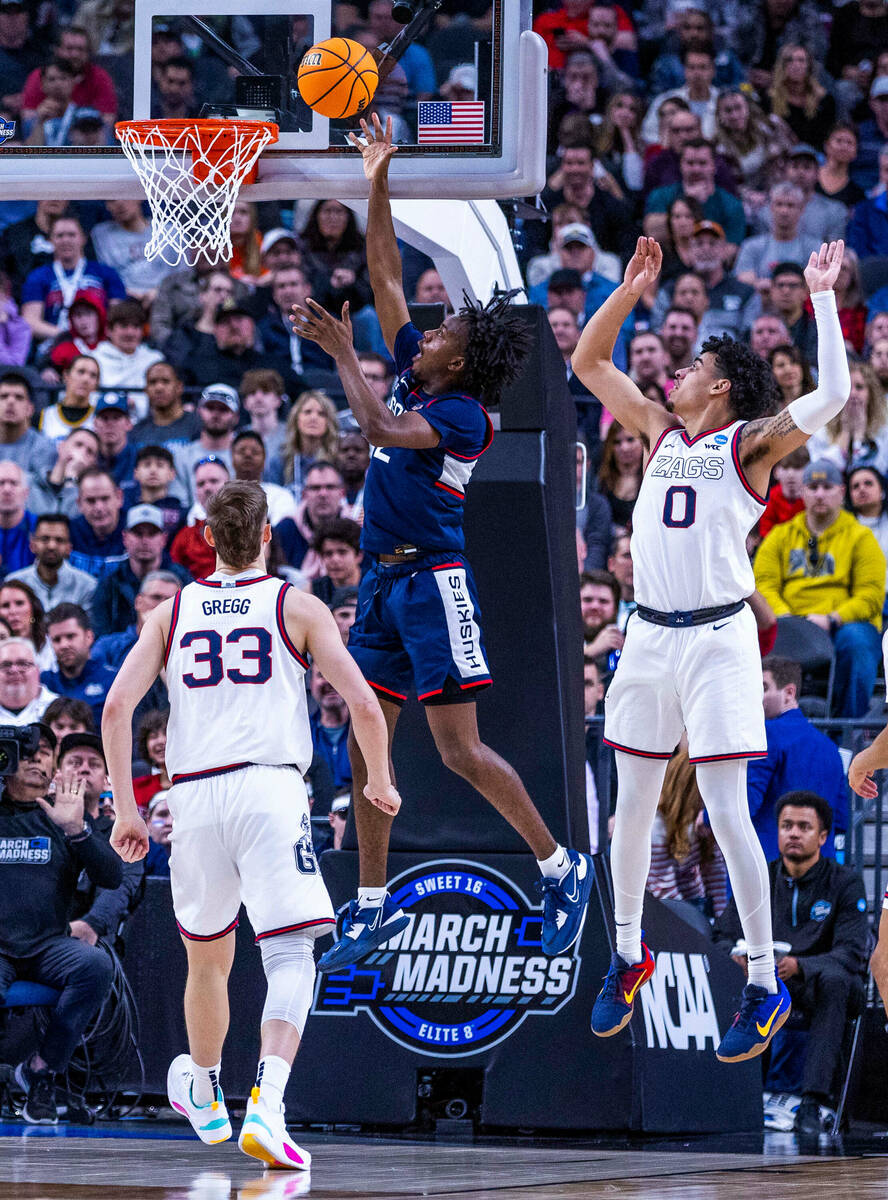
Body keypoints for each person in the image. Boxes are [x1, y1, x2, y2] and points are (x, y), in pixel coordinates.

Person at [292, 114, 594, 973]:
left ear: (459, 364)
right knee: (365, 741)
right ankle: (375, 902)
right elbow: (387, 272)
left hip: (436, 583)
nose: (425, 331)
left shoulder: (463, 413)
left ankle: (559, 866)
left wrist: (343, 354)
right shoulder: (415, 366)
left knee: (456, 750)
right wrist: (376, 176)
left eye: (441, 334)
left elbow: (377, 421)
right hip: (384, 589)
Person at [571, 235, 850, 1062]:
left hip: (721, 638)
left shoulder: (747, 446)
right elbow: (588, 361)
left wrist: (821, 298)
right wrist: (625, 294)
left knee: (729, 814)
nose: (675, 374)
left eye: (691, 365)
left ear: (721, 385)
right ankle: (625, 957)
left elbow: (834, 390)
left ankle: (762, 981)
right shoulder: (657, 429)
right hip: (649, 632)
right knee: (627, 810)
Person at [103, 479, 400, 1168]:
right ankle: (267, 1102)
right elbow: (361, 702)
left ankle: (205, 1089)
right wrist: (379, 777)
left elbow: (116, 712)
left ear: (205, 537)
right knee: (292, 953)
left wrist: (124, 807)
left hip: (194, 796)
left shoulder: (171, 612)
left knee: (207, 959)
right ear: (269, 534)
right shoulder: (296, 605)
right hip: (268, 789)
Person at [712, 791, 868, 1138]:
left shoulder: (845, 882)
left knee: (836, 981)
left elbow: (851, 952)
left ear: (823, 836)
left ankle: (812, 1103)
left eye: (803, 827)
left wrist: (799, 965)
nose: (793, 833)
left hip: (818, 984)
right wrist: (737, 958)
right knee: (725, 975)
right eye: (786, 826)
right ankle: (734, 1098)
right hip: (765, 980)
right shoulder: (758, 878)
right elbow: (721, 936)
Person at [0, 722, 120, 1124]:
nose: (37, 758)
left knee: (96, 965)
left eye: (46, 753)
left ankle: (41, 1070)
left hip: (47, 945)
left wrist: (77, 830)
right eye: (27, 751)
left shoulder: (65, 815)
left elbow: (113, 877)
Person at [754, 459, 886, 718]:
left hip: (842, 625)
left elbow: (870, 594)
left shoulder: (861, 537)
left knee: (857, 641)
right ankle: (764, 728)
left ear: (841, 492)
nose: (820, 494)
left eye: (827, 486)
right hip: (788, 622)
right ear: (802, 492)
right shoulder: (780, 536)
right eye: (813, 487)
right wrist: (787, 618)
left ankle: (846, 730)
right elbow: (763, 584)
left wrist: (832, 619)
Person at [749, 657, 847, 860]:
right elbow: (840, 822)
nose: (755, 698)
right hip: (821, 871)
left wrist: (706, 819)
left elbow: (747, 802)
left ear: (789, 693)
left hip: (768, 867)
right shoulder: (830, 748)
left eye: (763, 689)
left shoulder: (766, 733)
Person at [58, 730, 144, 947]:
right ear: (56, 773)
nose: (84, 768)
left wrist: (92, 924)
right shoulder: (38, 824)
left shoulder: (122, 832)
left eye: (94, 764)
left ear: (107, 782)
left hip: (94, 942)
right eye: (75, 762)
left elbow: (123, 884)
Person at [20, 215, 125, 349]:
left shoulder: (105, 273)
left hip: (101, 345)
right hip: (54, 345)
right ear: (50, 240)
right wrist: (68, 335)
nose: (66, 240)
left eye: (71, 235)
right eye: (59, 235)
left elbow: (117, 316)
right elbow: (30, 321)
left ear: (83, 238)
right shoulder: (38, 276)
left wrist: (93, 336)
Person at [647, 747, 727, 924]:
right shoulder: (656, 827)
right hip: (656, 911)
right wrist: (695, 932)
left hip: (690, 901)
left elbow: (715, 877)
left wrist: (721, 928)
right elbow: (664, 892)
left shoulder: (704, 819)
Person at [90, 504, 189, 638]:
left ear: (164, 539)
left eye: (152, 533)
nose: (145, 540)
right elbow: (101, 634)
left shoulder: (184, 581)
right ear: (125, 538)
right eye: (138, 533)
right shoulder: (110, 584)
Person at [41, 603, 117, 727]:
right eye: (57, 640)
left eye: (70, 636)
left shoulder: (114, 681)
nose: (64, 645)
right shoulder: (44, 683)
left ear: (89, 636)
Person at [7, 514, 97, 611]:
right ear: (32, 545)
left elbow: (87, 624)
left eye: (59, 540)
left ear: (69, 548)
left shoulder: (87, 586)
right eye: (45, 539)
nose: (51, 546)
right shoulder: (14, 583)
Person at [172, 384, 238, 504]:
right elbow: (180, 503)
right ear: (199, 412)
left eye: (223, 409)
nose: (216, 414)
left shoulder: (246, 457)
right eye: (210, 408)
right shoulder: (182, 456)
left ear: (236, 416)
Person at [170, 457, 230, 581]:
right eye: (200, 484)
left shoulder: (249, 527)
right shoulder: (185, 537)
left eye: (214, 481)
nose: (207, 488)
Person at [68, 468, 127, 578]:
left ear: (119, 497)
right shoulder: (68, 533)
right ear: (79, 503)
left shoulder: (136, 531)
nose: (99, 508)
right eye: (91, 500)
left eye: (105, 499)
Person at [230, 431, 294, 526]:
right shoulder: (219, 494)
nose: (248, 455)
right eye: (241, 451)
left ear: (264, 459)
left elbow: (279, 530)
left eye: (255, 452)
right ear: (232, 458)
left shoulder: (280, 496)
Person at [0, 372, 56, 477]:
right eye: (3, 396)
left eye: (19, 397)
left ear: (30, 409)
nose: (11, 401)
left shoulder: (44, 449)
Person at [309, 666, 351, 798]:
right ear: (311, 682)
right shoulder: (300, 733)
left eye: (337, 673)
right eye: (322, 675)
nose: (330, 681)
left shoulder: (368, 733)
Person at [38, 354, 99, 443]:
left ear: (97, 384)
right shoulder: (45, 415)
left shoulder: (99, 418)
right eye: (81, 372)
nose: (86, 379)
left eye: (93, 375)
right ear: (66, 375)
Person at [0, 639, 57, 725]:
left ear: (38, 670)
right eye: (6, 665)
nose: (14, 670)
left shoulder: (60, 708)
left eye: (23, 664)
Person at [0, 580, 54, 671]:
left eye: (19, 603)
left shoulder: (52, 646)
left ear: (33, 608)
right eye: (5, 605)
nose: (13, 611)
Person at [312, 517, 363, 606]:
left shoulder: (375, 588)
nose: (335, 559)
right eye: (328, 553)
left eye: (342, 552)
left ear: (359, 555)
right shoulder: (312, 592)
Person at [0, 460, 36, 573]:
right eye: (1, 483)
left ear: (26, 493)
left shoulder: (39, 528)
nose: (7, 490)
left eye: (14, 483)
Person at [847, 465, 888, 561]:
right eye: (855, 486)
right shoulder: (844, 528)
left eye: (868, 483)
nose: (862, 489)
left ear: (882, 491)